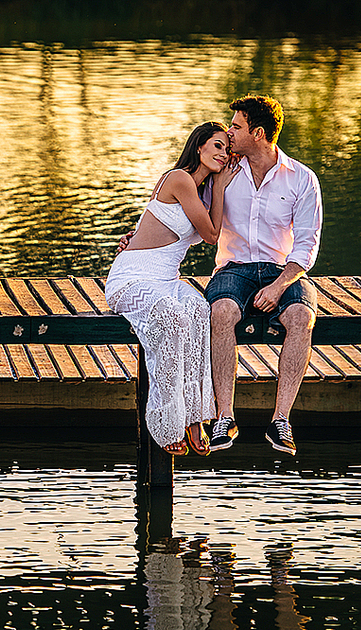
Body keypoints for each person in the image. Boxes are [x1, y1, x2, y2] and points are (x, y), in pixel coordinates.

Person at [105, 121, 238, 456]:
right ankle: (166, 422)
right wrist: (220, 187)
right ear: (199, 146)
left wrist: (216, 187)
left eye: (227, 149)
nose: (223, 154)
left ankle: (194, 417)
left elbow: (162, 225)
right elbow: (211, 235)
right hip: (133, 277)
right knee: (172, 316)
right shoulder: (179, 178)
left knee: (198, 309)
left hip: (167, 279)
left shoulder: (202, 191)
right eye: (217, 145)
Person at [204, 95, 323, 455]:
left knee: (301, 316)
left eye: (236, 126)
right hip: (233, 268)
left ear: (257, 133)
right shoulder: (223, 171)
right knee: (221, 312)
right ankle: (224, 417)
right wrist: (139, 238)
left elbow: (307, 244)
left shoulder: (301, 178)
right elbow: (192, 216)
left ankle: (281, 420)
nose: (229, 132)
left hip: (282, 271)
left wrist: (279, 285)